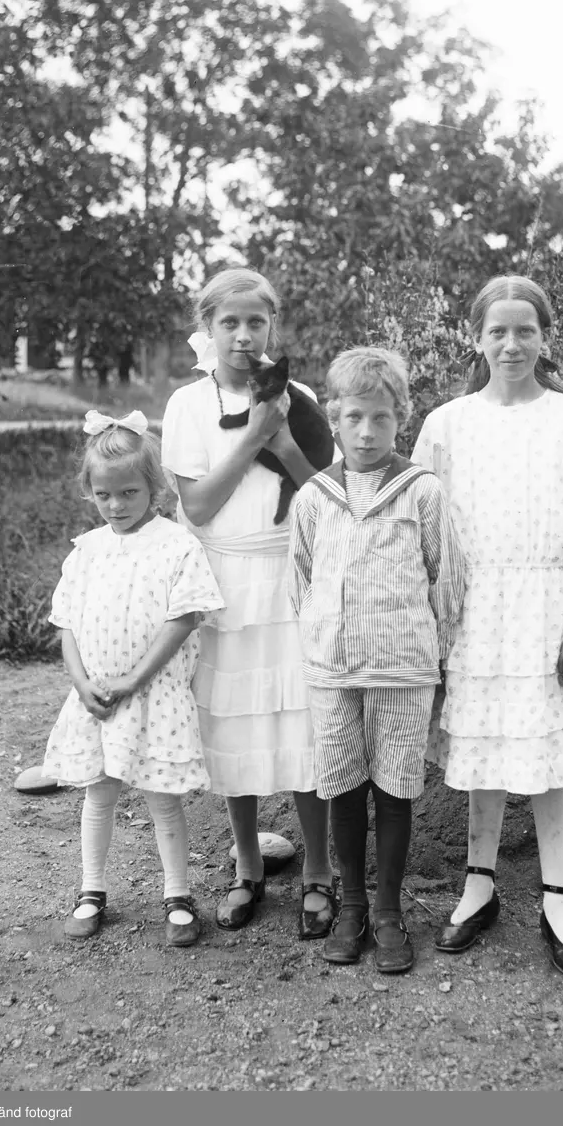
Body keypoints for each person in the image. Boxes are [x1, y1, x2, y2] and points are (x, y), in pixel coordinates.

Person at [412, 276, 563, 976]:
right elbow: (424, 528)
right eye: (498, 331)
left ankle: (556, 897)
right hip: (474, 610)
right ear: (476, 339)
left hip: (548, 606)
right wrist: (433, 622)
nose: (511, 345)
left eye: (525, 331)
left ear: (544, 337)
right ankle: (478, 887)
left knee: (547, 756)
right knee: (484, 748)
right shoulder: (447, 423)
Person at [161, 267, 336, 938]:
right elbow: (199, 506)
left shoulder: (299, 396)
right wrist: (254, 435)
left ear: (272, 327)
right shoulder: (187, 405)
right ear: (207, 328)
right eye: (228, 322)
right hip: (225, 581)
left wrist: (282, 436)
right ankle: (247, 866)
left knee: (303, 726)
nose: (242, 335)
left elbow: (324, 495)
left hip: (291, 576)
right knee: (234, 727)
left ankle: (317, 871)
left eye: (255, 322)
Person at [289, 347, 465, 973]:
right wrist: (322, 639)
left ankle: (389, 910)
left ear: (402, 418)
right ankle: (352, 906)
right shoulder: (314, 496)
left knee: (394, 787)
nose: (367, 432)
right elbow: (300, 580)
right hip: (335, 669)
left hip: (403, 668)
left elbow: (446, 580)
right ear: (334, 417)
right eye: (354, 417)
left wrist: (440, 658)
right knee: (342, 782)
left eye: (381, 418)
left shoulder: (422, 491)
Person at [44, 410, 225, 947]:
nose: (116, 506)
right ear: (90, 492)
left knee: (162, 798)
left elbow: (184, 618)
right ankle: (91, 890)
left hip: (152, 694)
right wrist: (82, 683)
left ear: (153, 488)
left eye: (128, 493)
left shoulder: (176, 545)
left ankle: (178, 894)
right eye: (104, 495)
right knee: (98, 795)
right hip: (98, 697)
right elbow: (67, 623)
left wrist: (133, 679)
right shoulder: (87, 550)